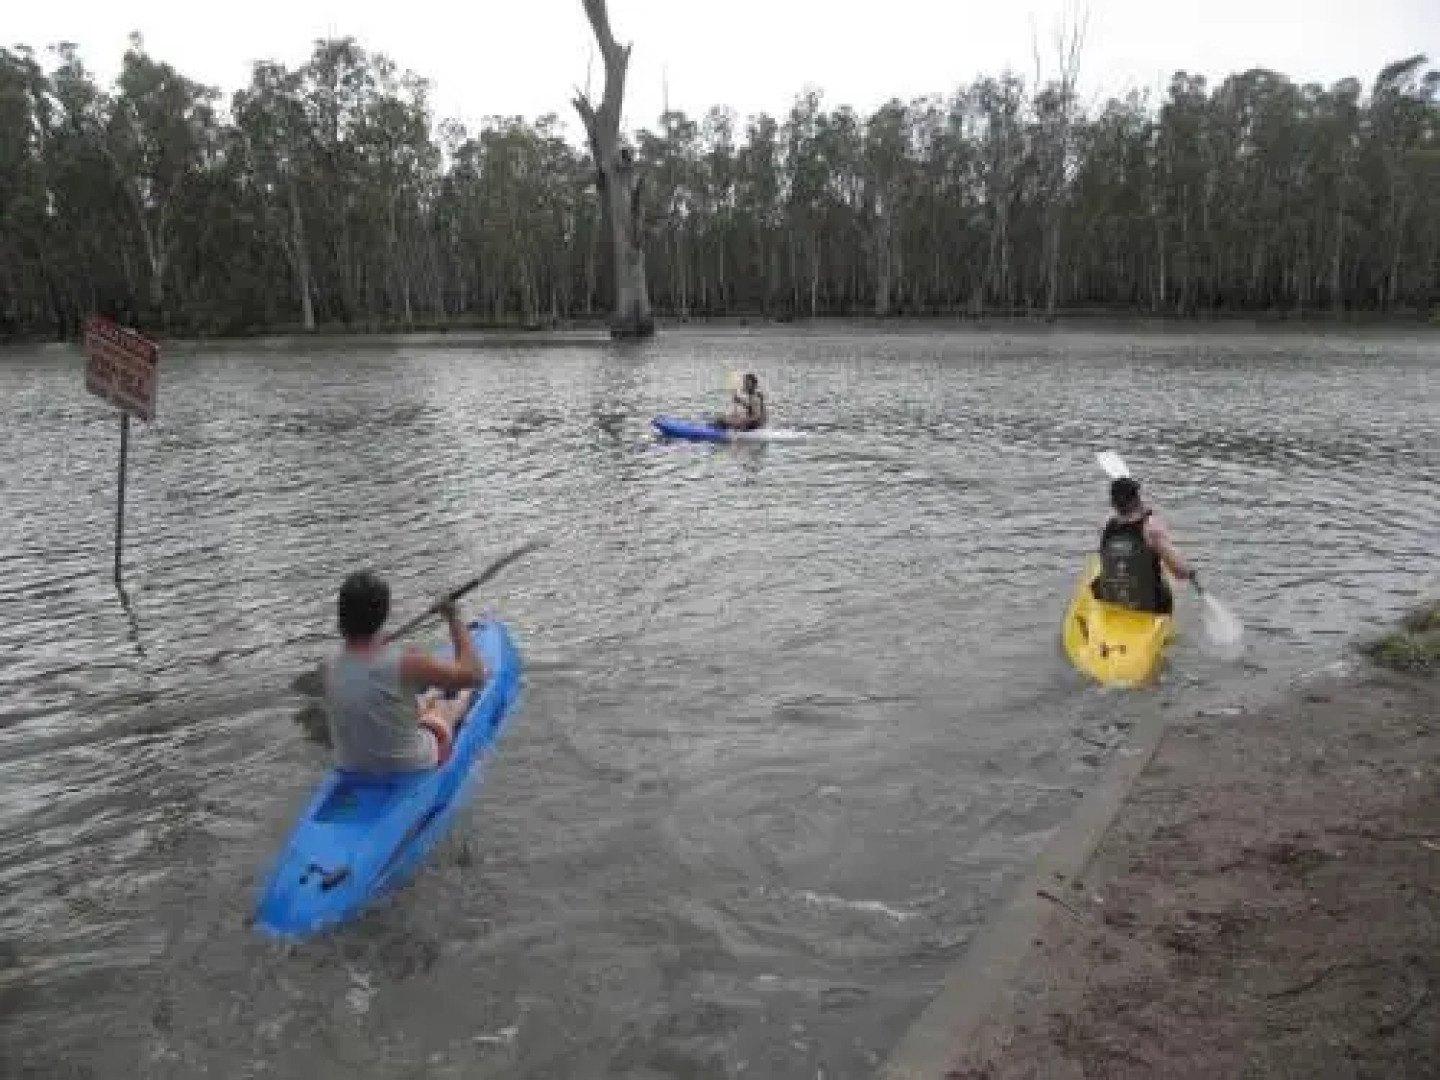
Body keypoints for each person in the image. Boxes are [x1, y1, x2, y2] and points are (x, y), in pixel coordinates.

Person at [323, 571, 488, 774]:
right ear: (383, 616)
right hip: (410, 765)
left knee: (417, 700)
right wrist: (453, 617)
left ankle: (432, 697)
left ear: (341, 617)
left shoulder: (329, 663)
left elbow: (367, 671)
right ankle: (453, 701)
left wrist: (376, 640)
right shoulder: (405, 662)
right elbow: (475, 675)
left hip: (349, 767)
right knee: (447, 706)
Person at [1092, 476, 1194, 614]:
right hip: (1149, 605)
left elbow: (1107, 558)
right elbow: (1179, 573)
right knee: (1170, 577)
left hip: (1110, 599)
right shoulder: (1152, 529)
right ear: (1137, 499)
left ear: (1112, 503)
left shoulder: (1105, 526)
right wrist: (1191, 572)